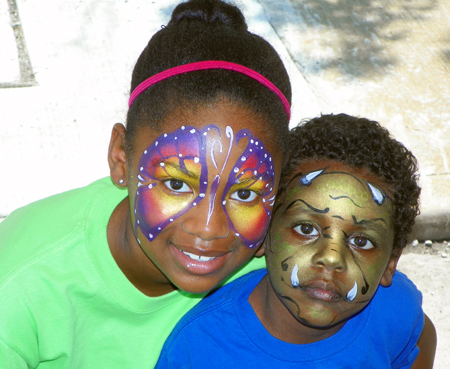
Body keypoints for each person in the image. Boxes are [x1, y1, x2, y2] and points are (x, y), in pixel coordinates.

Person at [0, 0, 292, 367]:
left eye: (245, 193)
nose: (208, 228)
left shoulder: (289, 270)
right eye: (175, 184)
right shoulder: (18, 286)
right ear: (122, 157)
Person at [155, 114, 437, 368]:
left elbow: (422, 334)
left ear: (390, 263)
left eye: (361, 241)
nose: (331, 258)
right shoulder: (199, 347)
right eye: (305, 228)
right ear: (262, 233)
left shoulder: (393, 305)